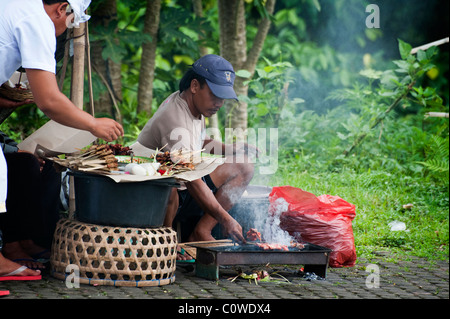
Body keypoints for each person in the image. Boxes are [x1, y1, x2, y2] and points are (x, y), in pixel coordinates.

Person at [0, 0, 123, 279]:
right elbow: (50, 100)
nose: (63, 31)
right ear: (61, 9)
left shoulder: (18, 5)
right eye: (70, 22)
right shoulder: (37, 20)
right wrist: (93, 124)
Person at [135, 54, 256, 247]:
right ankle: (165, 243)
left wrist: (233, 149)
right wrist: (226, 219)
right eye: (215, 95)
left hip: (186, 184)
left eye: (223, 98)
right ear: (194, 86)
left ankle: (201, 231)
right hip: (154, 198)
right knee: (169, 185)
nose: (219, 103)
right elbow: (191, 179)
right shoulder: (174, 118)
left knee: (243, 167)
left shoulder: (194, 105)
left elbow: (197, 142)